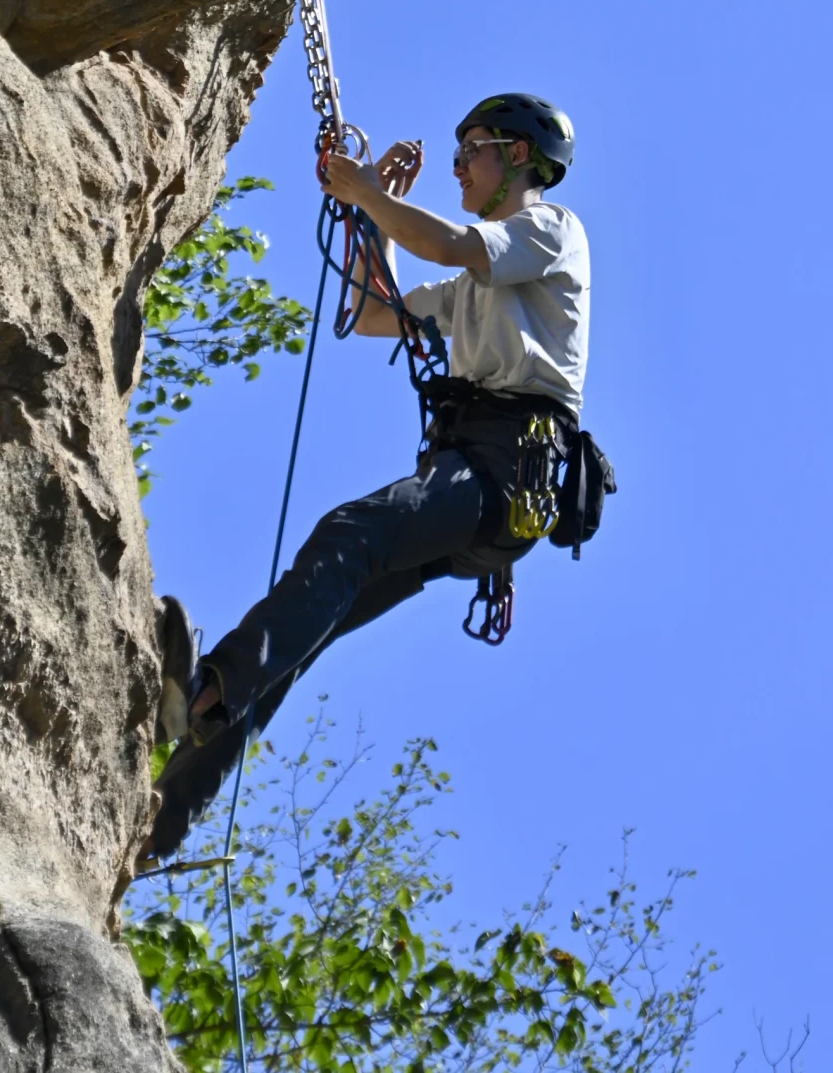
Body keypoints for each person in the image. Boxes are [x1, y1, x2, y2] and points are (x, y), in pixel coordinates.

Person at [142, 93, 590, 863]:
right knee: (310, 625)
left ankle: (203, 694)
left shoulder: (548, 230)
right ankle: (162, 820)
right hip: (473, 481)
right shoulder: (477, 279)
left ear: (518, 156)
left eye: (470, 150)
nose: (456, 166)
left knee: (351, 534)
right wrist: (377, 217)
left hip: (505, 469)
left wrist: (369, 195)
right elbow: (370, 313)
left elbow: (452, 245)